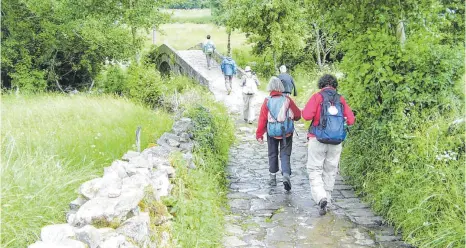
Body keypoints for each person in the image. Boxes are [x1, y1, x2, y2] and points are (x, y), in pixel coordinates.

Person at [302, 74, 355, 216]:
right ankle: (328, 199)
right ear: (335, 85)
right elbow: (351, 120)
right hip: (336, 141)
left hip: (317, 139)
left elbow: (306, 116)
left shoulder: (317, 97)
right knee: (330, 170)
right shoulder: (340, 99)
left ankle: (321, 197)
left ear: (321, 84)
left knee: (314, 169)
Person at [256, 76, 301, 191]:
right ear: (281, 87)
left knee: (272, 153)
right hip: (286, 132)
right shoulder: (287, 99)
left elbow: (262, 119)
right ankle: (285, 174)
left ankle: (272, 177)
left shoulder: (267, 101)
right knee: (285, 154)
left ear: (269, 87)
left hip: (271, 132)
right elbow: (297, 115)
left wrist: (259, 134)